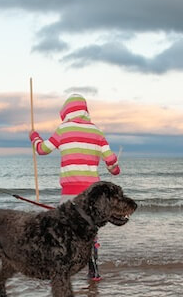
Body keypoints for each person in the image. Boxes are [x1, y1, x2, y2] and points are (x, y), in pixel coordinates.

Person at [29, 93, 120, 281]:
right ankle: (93, 269)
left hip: (70, 191)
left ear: (67, 111)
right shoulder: (97, 131)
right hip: (92, 194)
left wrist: (34, 137)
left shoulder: (63, 129)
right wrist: (114, 168)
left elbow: (42, 150)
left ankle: (60, 269)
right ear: (85, 110)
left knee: (64, 230)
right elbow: (111, 161)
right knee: (90, 231)